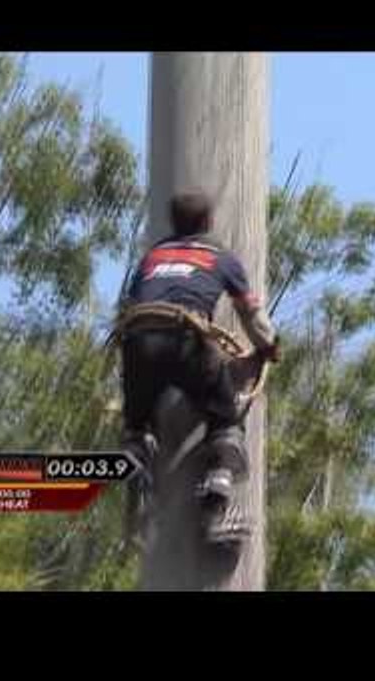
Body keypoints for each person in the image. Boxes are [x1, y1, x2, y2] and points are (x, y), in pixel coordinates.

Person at [118, 189, 279, 545]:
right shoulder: (220, 258)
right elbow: (251, 313)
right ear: (208, 223)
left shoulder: (151, 257)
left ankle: (138, 483)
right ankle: (213, 515)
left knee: (137, 429)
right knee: (226, 422)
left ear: (172, 224)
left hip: (137, 342)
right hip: (186, 341)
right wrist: (268, 348)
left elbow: (133, 303)